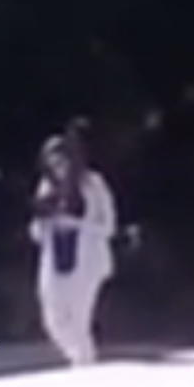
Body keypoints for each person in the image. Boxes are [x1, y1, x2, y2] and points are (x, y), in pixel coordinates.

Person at [29, 123, 119, 367]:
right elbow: (36, 233)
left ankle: (85, 365)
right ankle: (78, 358)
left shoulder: (93, 184)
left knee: (79, 319)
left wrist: (76, 225)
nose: (59, 169)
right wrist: (44, 221)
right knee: (53, 319)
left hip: (86, 260)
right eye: (53, 164)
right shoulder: (46, 187)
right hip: (55, 259)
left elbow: (108, 226)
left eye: (62, 162)